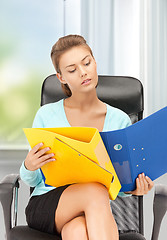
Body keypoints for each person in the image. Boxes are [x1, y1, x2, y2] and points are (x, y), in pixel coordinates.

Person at [20, 34, 154, 240]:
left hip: (92, 211)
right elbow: (34, 179)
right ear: (62, 78)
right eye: (72, 70)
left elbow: (119, 185)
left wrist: (133, 188)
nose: (83, 72)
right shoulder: (46, 115)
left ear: (95, 63)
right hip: (49, 203)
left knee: (77, 232)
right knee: (95, 191)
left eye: (87, 63)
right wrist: (29, 165)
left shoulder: (119, 120)